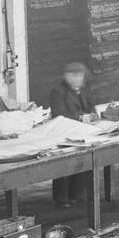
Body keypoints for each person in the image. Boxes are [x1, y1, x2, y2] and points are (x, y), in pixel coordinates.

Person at [44, 61, 98, 207]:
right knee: (65, 165)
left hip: (83, 132)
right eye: (74, 75)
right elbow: (59, 114)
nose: (78, 79)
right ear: (66, 76)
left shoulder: (84, 88)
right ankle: (61, 198)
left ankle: (77, 195)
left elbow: (91, 104)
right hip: (64, 132)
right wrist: (81, 117)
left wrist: (93, 114)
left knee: (82, 162)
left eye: (80, 75)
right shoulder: (58, 91)